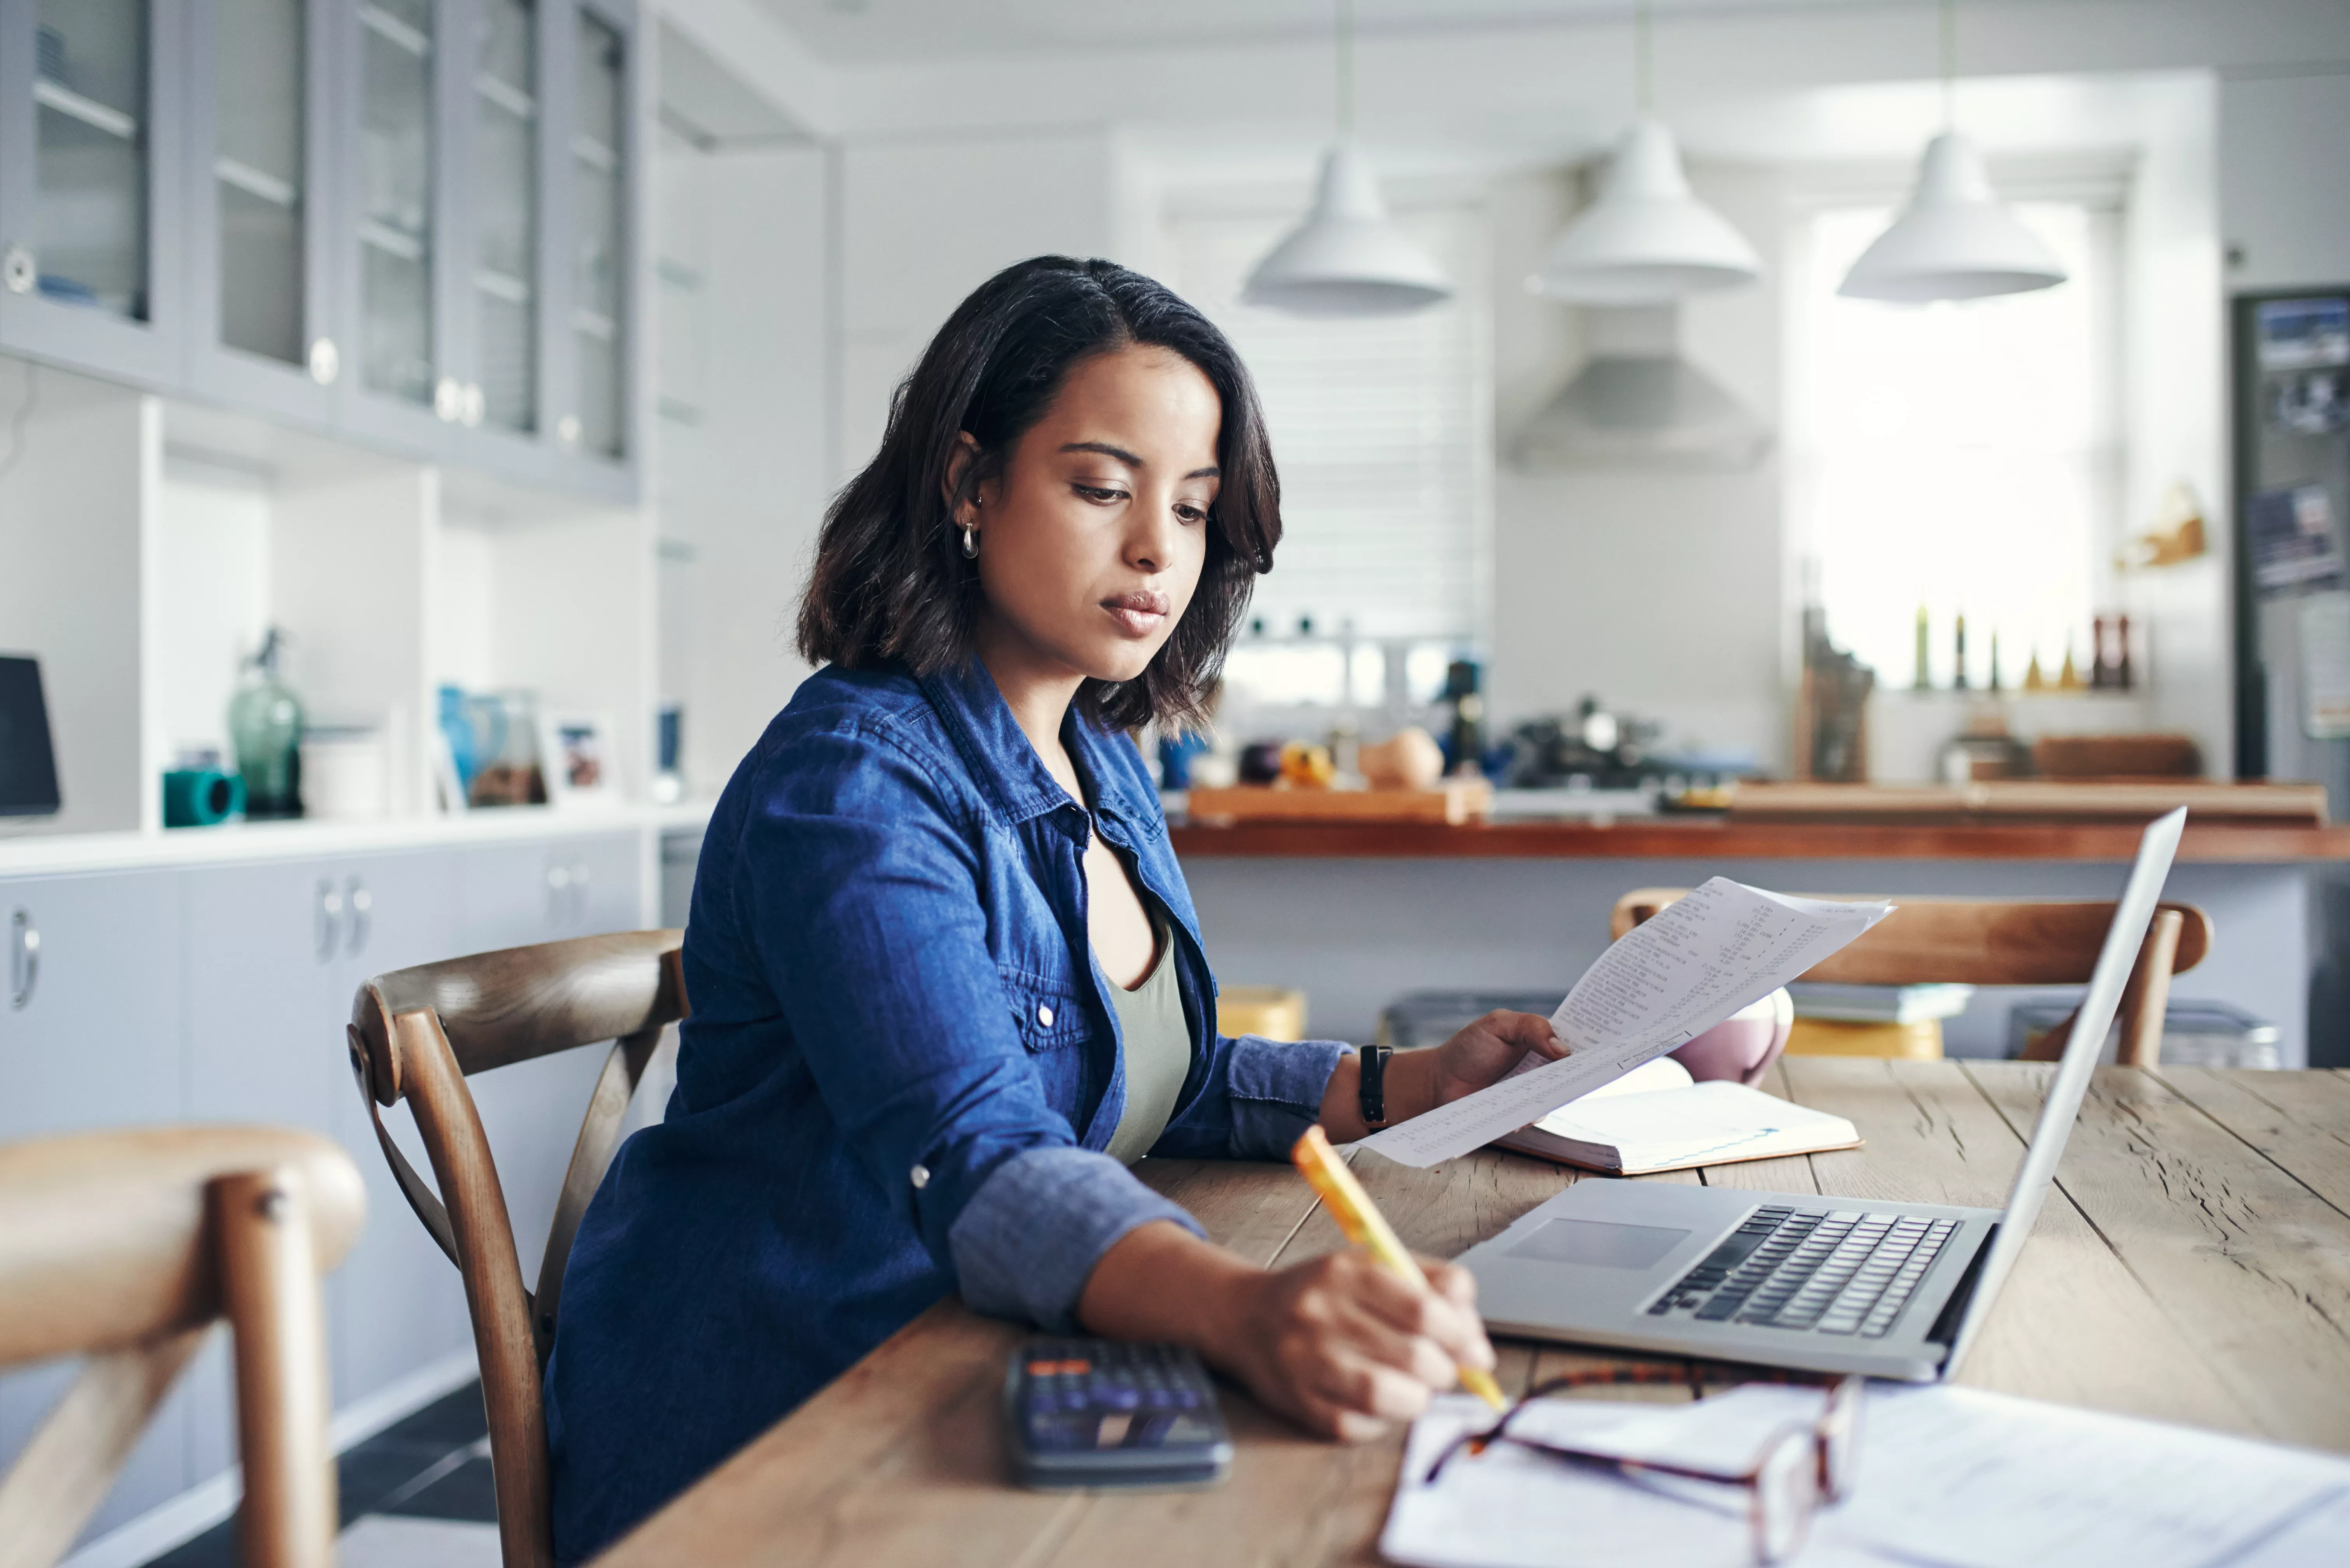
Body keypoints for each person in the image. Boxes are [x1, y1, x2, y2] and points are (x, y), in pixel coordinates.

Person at [543, 255, 1562, 1559]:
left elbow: (1141, 1079)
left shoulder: (1103, 759)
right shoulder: (853, 785)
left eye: (1193, 511)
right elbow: (979, 1145)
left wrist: (1408, 1082)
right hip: (784, 1421)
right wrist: (1246, 1311)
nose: (1156, 549)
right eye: (1101, 489)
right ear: (969, 482)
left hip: (975, 1363)